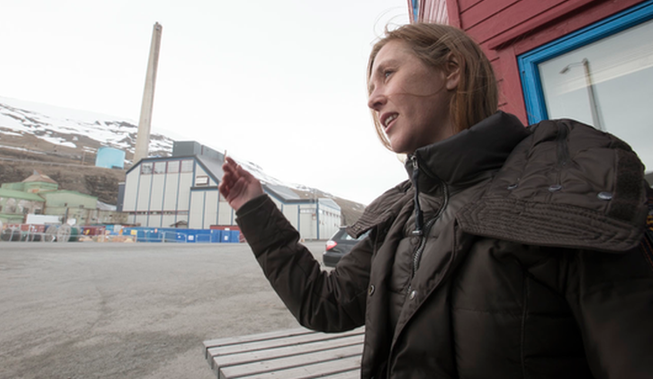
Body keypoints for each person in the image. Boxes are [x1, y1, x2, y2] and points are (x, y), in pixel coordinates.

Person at [218, 23, 653, 379]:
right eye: (370, 87)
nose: (372, 99)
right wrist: (254, 207)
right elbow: (324, 304)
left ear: (451, 70)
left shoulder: (561, 189)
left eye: (387, 74)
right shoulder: (405, 214)